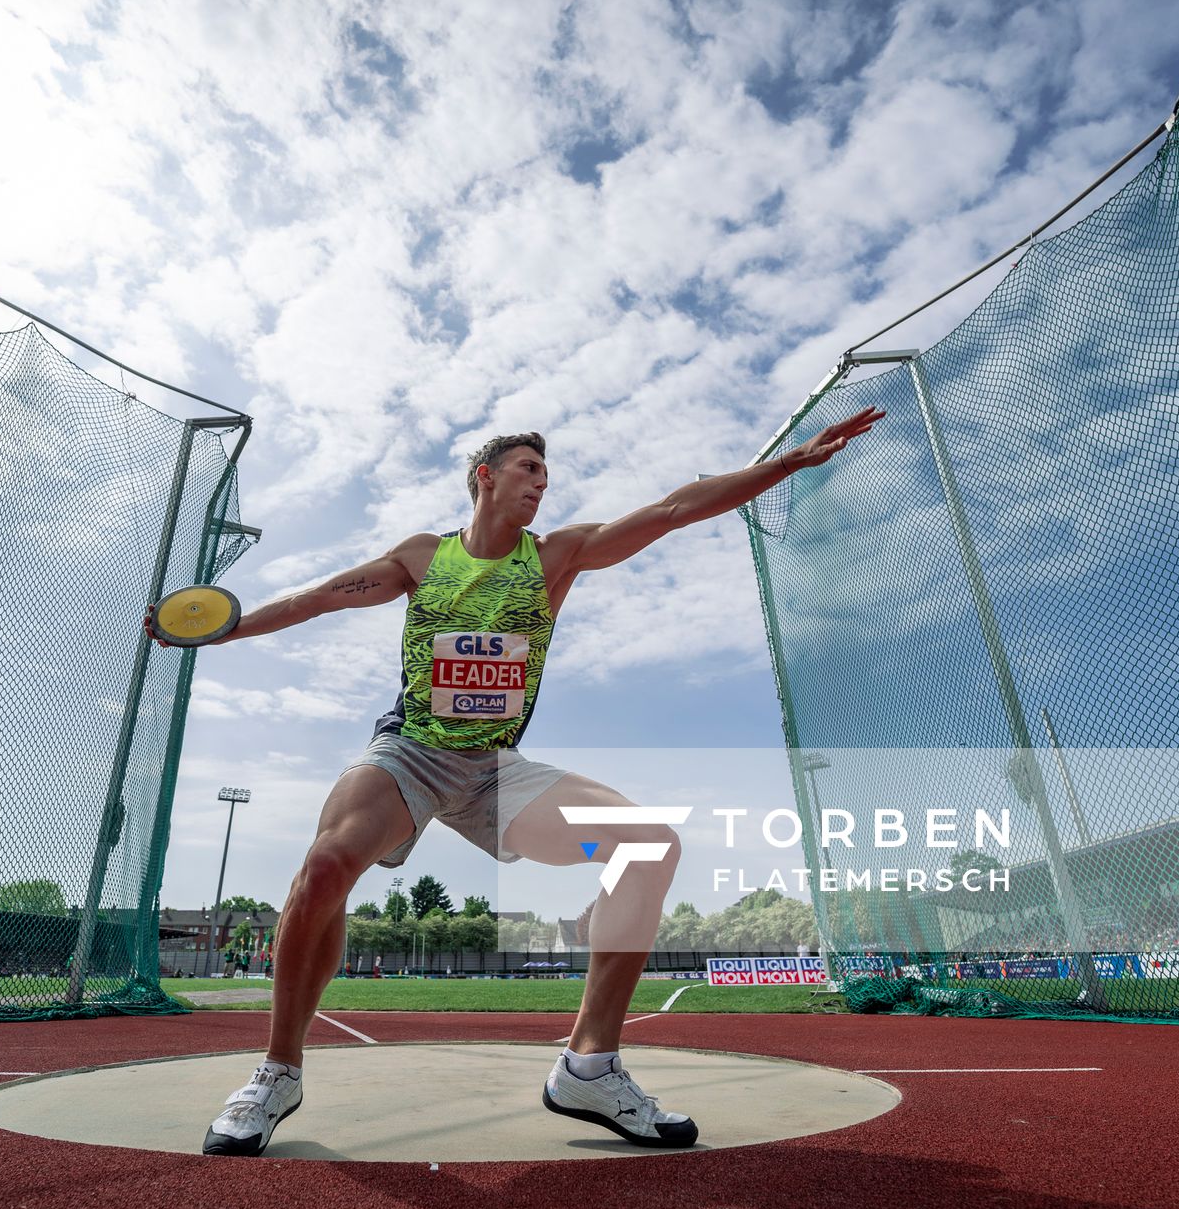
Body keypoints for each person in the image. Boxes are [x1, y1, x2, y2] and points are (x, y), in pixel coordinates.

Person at [150, 409, 883, 1157]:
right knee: (328, 864)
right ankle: (278, 1073)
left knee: (649, 845)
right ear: (484, 477)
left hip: (496, 770)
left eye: (546, 475)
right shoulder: (421, 558)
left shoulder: (558, 557)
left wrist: (788, 466)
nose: (541, 483)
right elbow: (317, 598)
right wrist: (221, 627)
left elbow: (672, 510)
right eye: (528, 468)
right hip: (413, 753)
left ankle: (589, 1068)